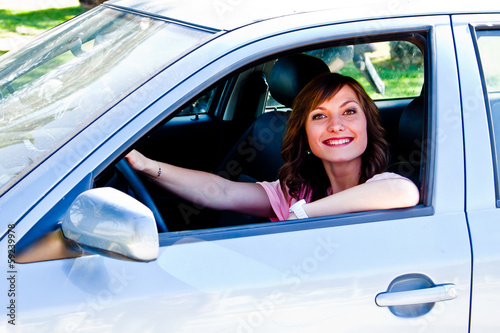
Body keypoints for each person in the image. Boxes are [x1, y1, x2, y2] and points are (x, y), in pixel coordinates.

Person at [126, 73, 419, 221]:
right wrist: (148, 166)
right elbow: (223, 192)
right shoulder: (297, 193)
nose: (336, 125)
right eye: (319, 116)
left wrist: (301, 215)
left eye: (349, 111)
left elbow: (403, 192)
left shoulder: (383, 184)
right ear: (304, 134)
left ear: (367, 123)